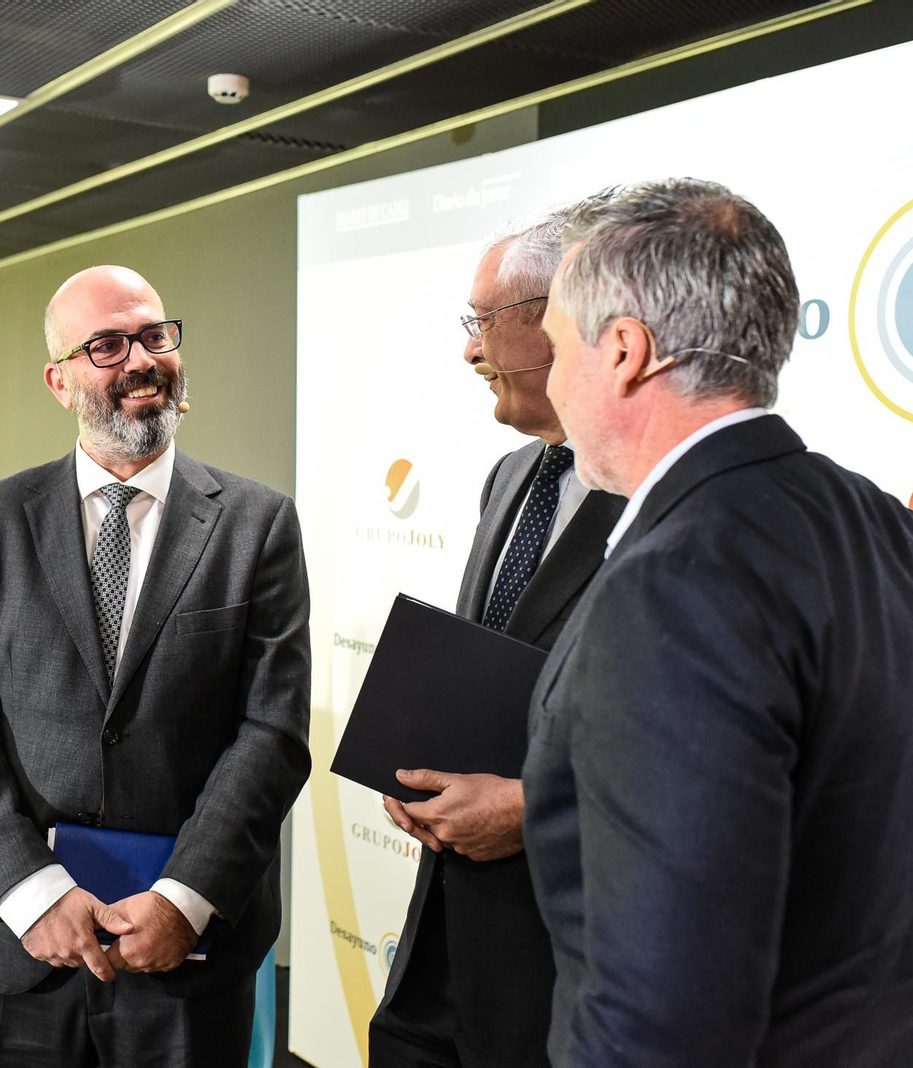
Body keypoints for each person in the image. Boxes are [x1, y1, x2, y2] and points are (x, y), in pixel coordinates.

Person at [524, 177, 913, 1065]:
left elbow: (664, 1013)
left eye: (555, 348)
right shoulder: (898, 534)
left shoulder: (671, 583)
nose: (550, 383)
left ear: (625, 352)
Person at [0, 265, 311, 1067]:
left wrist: (184, 898)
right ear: (60, 381)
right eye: (107, 344)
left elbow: (271, 733)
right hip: (15, 947)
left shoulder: (257, 525)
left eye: (154, 335)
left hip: (183, 955)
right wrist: (34, 892)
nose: (141, 360)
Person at [368, 203, 625, 1068]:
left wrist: (529, 810)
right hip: (441, 946)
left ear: (560, 317)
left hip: (560, 964)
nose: (471, 351)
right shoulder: (509, 477)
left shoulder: (670, 502)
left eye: (484, 324)